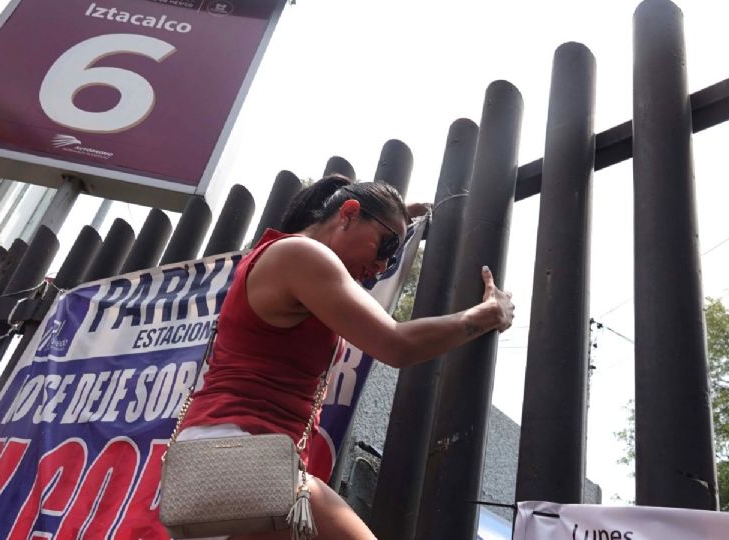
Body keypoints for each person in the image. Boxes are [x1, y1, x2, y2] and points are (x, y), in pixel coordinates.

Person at [174, 174, 515, 540]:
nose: (384, 266)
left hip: (214, 468)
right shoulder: (301, 254)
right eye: (385, 247)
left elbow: (359, 231)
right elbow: (396, 344)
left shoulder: (282, 259)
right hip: (234, 461)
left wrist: (395, 226)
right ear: (348, 213)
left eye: (395, 253)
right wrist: (487, 314)